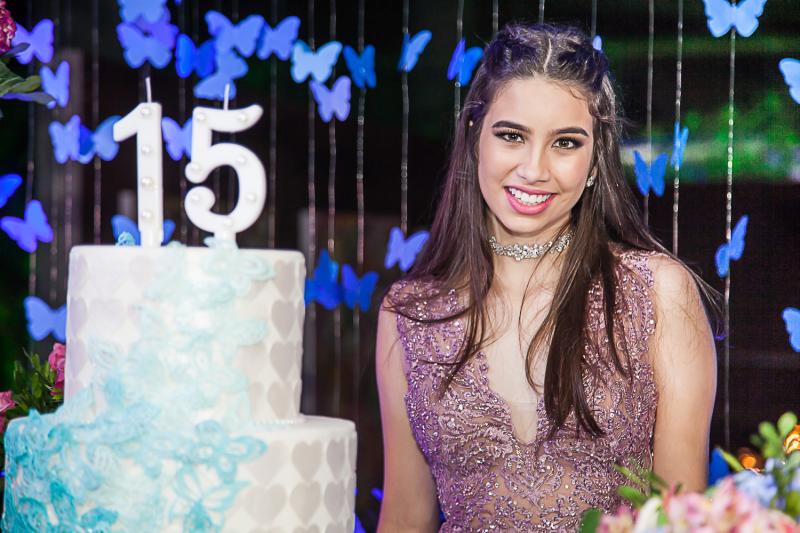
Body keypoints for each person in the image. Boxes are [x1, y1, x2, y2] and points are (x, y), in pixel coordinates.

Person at [375, 22, 718, 532]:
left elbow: (681, 517)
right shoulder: (411, 314)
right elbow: (404, 516)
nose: (534, 169)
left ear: (596, 160)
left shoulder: (657, 292)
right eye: (512, 136)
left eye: (565, 143)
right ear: (474, 138)